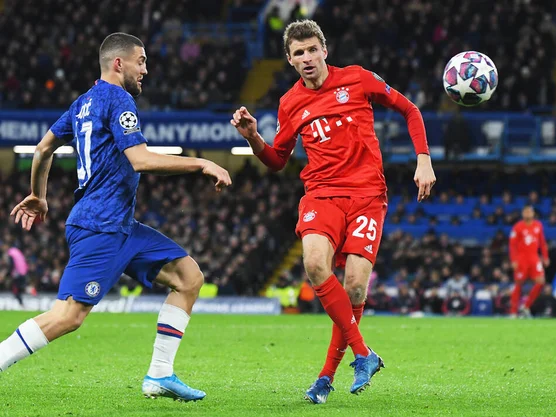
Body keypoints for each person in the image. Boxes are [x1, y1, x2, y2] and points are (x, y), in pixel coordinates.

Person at [0, 33, 232, 402]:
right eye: (140, 61)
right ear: (118, 63)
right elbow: (139, 160)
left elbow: (44, 147)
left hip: (120, 226)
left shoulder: (81, 104)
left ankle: (160, 375)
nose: (145, 70)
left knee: (188, 277)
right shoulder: (118, 98)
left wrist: (39, 196)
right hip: (99, 225)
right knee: (68, 316)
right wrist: (201, 162)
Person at [230, 20, 436, 403]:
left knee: (355, 285)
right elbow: (277, 160)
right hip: (322, 195)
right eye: (298, 53)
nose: (306, 58)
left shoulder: (357, 79)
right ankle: (363, 354)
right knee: (314, 264)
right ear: (290, 61)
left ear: (325, 50)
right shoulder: (290, 103)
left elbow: (410, 110)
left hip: (367, 195)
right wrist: (253, 138)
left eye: (312, 50)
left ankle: (326, 377)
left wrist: (423, 160)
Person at [509, 205, 549, 318]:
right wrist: (514, 259)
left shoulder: (538, 225)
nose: (527, 214)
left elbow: (542, 242)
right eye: (525, 212)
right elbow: (512, 245)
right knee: (518, 284)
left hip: (534, 258)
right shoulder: (517, 227)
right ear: (522, 214)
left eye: (529, 212)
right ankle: (513, 312)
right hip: (522, 259)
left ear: (533, 214)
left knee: (541, 282)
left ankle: (526, 307)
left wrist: (545, 256)